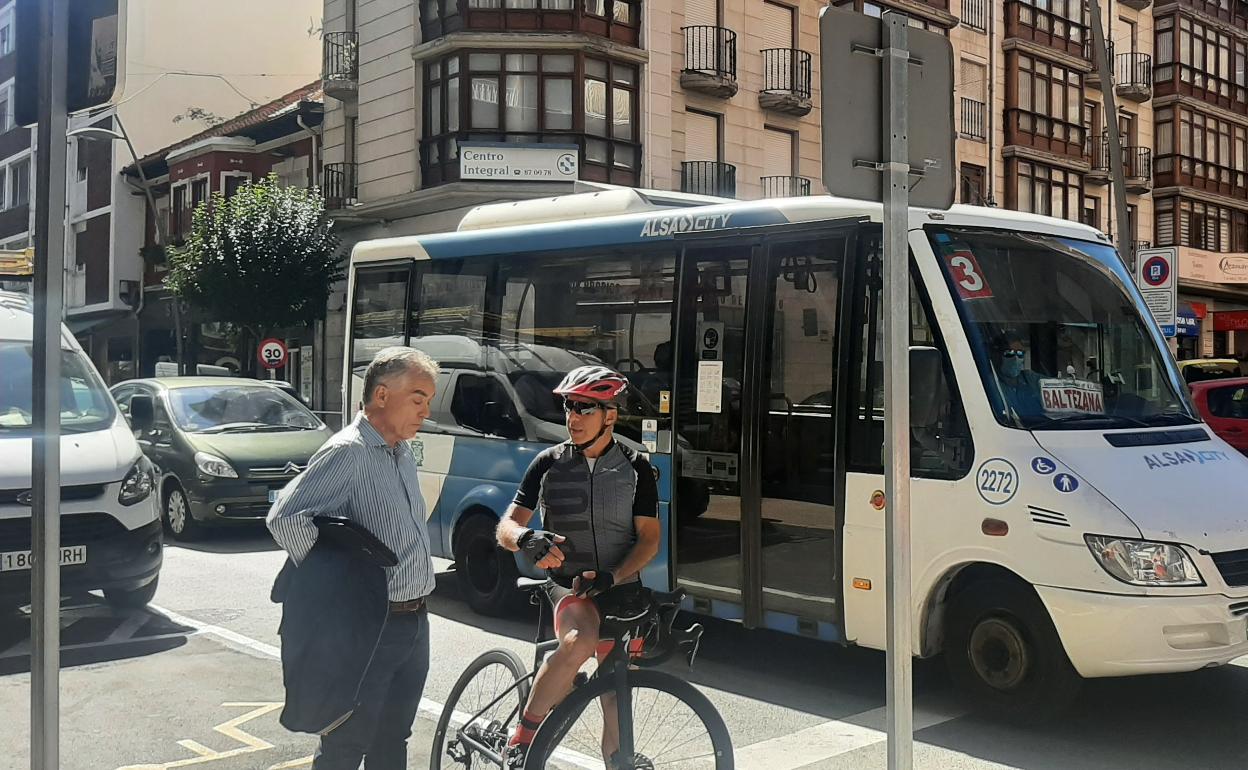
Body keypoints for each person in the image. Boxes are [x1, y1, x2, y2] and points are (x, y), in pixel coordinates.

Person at [267, 346, 439, 770]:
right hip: (372, 625)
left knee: (392, 739)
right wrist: (342, 583)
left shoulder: (400, 452)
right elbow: (286, 518)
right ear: (382, 396)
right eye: (418, 399)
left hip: (414, 621)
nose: (425, 411)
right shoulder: (349, 451)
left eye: (428, 402)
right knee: (346, 742)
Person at [496, 365, 661, 766]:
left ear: (610, 415)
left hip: (618, 589)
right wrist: (525, 538)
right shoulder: (547, 463)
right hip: (568, 587)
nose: (573, 417)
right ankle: (521, 741)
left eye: (586, 408)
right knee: (579, 642)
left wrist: (614, 575)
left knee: (615, 695)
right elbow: (506, 526)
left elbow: (650, 539)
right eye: (570, 407)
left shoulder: (637, 468)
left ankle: (618, 760)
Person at [995, 334, 1045, 419]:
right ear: (999, 355)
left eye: (1020, 353)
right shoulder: (992, 383)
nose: (1016, 358)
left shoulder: (1029, 378)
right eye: (1009, 353)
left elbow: (1052, 383)